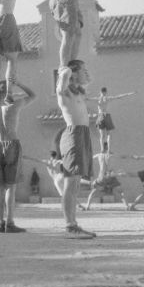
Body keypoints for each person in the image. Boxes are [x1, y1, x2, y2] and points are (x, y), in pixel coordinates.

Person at [0, 79, 36, 233]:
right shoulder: (15, 105)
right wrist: (18, 83)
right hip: (11, 144)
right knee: (11, 187)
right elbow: (32, 95)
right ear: (9, 91)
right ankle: (9, 223)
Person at [55, 59, 96, 238]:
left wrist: (81, 73)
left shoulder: (79, 92)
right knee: (71, 183)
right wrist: (67, 70)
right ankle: (70, 226)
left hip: (84, 134)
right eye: (83, 70)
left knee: (76, 183)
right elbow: (63, 76)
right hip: (73, 135)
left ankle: (74, 224)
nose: (87, 73)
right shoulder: (64, 92)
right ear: (73, 73)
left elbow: (88, 80)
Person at [86, 87, 136, 153]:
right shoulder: (108, 98)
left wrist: (84, 94)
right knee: (109, 135)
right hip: (106, 116)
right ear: (106, 92)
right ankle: (109, 150)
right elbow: (118, 97)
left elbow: (87, 99)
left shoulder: (97, 99)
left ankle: (102, 149)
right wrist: (130, 93)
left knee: (101, 135)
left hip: (100, 116)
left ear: (100, 92)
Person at [82, 144, 128, 210]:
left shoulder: (99, 155)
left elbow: (89, 159)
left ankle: (87, 206)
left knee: (94, 191)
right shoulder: (111, 155)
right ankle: (127, 206)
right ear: (108, 148)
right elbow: (123, 156)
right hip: (110, 175)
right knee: (120, 191)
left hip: (102, 176)